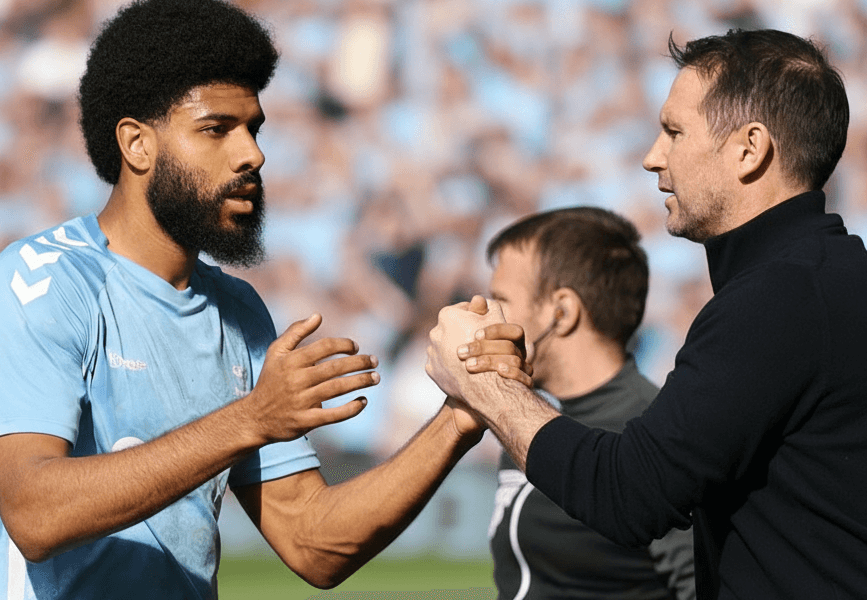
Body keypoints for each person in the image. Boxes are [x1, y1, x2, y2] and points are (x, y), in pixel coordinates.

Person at [0, 1, 524, 597]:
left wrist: (460, 414)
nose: (252, 154)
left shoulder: (238, 311)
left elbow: (312, 541)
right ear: (136, 145)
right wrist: (250, 420)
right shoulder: (42, 282)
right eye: (216, 129)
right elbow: (34, 515)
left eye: (254, 127)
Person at [426, 29, 867, 600]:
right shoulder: (843, 285)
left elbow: (629, 495)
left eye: (675, 132)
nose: (653, 157)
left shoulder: (781, 298)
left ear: (749, 149)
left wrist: (483, 384)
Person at [484, 207, 695, 600]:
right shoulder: (527, 418)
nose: (485, 316)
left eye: (501, 300)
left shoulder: (653, 430)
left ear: (562, 312)